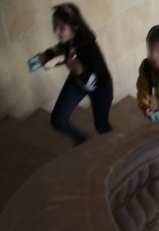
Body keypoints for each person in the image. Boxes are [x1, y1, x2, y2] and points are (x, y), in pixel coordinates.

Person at [35, 3, 112, 145]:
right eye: (54, 26)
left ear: (74, 28)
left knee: (101, 126)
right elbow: (61, 48)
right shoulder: (68, 40)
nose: (57, 32)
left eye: (61, 28)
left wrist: (81, 72)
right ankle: (82, 139)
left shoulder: (90, 49)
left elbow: (100, 80)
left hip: (99, 89)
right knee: (57, 120)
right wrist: (47, 55)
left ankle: (116, 146)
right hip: (77, 81)